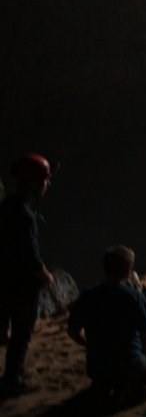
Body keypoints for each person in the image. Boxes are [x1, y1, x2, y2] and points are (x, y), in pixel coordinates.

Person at [67, 245, 146, 403]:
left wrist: (89, 345)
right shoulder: (134, 297)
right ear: (128, 270)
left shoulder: (88, 296)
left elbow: (72, 331)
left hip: (97, 367)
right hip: (129, 365)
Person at [0, 154, 55, 395]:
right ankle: (13, 380)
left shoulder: (7, 206)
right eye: (44, 180)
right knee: (21, 335)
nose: (47, 184)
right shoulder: (24, 214)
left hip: (4, 279)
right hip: (22, 285)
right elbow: (30, 253)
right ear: (34, 182)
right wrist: (44, 274)